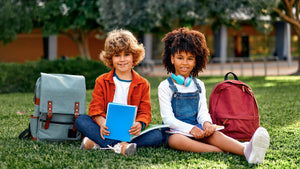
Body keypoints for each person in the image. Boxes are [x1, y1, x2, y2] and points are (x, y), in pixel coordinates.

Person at [158, 27, 270, 164]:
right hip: (175, 132)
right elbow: (168, 119)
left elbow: (202, 111)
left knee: (216, 135)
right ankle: (221, 150)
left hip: (198, 128)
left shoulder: (198, 84)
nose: (185, 63)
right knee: (177, 141)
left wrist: (206, 123)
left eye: (190, 58)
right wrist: (190, 129)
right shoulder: (165, 86)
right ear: (172, 58)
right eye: (180, 58)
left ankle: (246, 150)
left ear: (196, 61)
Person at [75, 29, 163, 156]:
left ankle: (97, 144)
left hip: (130, 132)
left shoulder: (143, 84)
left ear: (134, 56)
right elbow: (95, 108)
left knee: (157, 135)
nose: (122, 59)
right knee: (81, 120)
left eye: (126, 54)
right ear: (110, 58)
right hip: (106, 129)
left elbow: (145, 112)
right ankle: (120, 146)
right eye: (117, 55)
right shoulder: (102, 81)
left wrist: (140, 124)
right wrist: (102, 123)